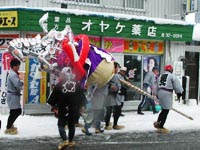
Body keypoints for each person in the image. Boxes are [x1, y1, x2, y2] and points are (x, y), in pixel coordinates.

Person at [47, 67, 86, 149]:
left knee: (61, 125)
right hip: (73, 108)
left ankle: (65, 140)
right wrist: (81, 106)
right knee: (71, 125)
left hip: (62, 108)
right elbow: (82, 97)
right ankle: (71, 141)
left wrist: (54, 107)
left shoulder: (59, 85)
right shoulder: (77, 84)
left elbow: (52, 99)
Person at [154, 65, 183, 133]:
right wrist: (179, 94)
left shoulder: (160, 76)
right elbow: (177, 86)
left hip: (160, 92)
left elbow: (156, 85)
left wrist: (157, 94)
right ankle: (161, 125)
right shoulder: (172, 76)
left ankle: (158, 122)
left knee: (163, 109)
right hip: (167, 93)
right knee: (166, 110)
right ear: (171, 70)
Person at [5, 58, 24, 135]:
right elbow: (18, 85)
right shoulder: (13, 75)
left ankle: (10, 125)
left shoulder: (13, 73)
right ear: (13, 66)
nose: (18, 68)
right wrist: (21, 82)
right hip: (13, 96)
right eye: (17, 66)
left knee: (14, 111)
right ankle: (9, 127)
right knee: (15, 112)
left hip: (13, 95)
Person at [104, 62, 125, 130]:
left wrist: (119, 87)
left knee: (118, 109)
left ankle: (115, 124)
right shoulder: (107, 75)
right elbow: (104, 83)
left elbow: (119, 83)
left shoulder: (117, 75)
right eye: (117, 67)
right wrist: (110, 87)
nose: (118, 69)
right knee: (109, 110)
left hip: (116, 95)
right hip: (109, 94)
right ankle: (107, 124)